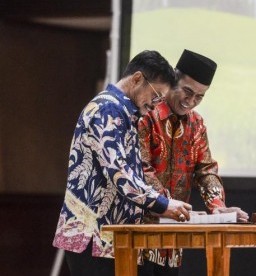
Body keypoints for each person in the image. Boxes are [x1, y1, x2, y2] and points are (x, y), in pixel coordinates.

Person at [52, 50, 193, 276]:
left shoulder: (125, 113)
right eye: (156, 96)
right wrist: (163, 204)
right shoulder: (107, 109)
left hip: (110, 240)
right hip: (92, 237)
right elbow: (121, 175)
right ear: (137, 78)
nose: (156, 105)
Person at [137, 49, 249, 275]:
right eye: (187, 92)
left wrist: (218, 207)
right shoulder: (146, 114)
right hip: (139, 232)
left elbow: (206, 169)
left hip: (174, 237)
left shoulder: (196, 124)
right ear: (173, 80)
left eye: (199, 97)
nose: (191, 101)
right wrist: (168, 204)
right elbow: (141, 169)